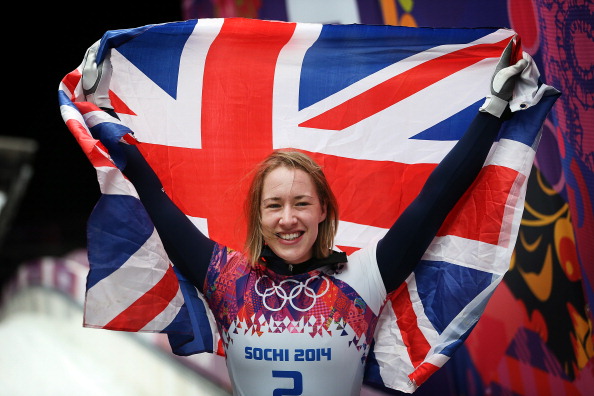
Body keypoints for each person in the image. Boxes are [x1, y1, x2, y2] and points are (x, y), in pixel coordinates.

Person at [82, 39, 527, 395]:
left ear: (323, 212)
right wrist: (98, 111)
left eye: (301, 203)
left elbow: (437, 198)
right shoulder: (223, 276)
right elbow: (152, 194)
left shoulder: (365, 276)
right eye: (273, 205)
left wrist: (491, 112)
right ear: (258, 218)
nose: (287, 218)